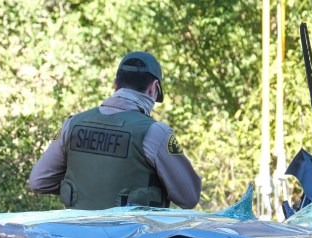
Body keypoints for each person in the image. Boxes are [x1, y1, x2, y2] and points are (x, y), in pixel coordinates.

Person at [29, 51, 201, 210]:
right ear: (153, 87)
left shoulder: (73, 124)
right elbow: (189, 197)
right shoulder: (154, 132)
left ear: (115, 85)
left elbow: (38, 182)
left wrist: (87, 186)